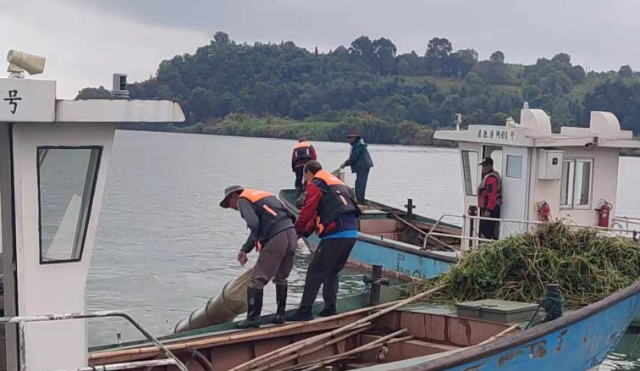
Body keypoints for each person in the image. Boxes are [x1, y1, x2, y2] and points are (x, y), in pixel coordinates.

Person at [288, 161, 360, 321]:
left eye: (305, 178)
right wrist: (302, 234)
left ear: (308, 173)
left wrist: (296, 231)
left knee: (315, 271)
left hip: (336, 233)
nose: (305, 182)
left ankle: (305, 311)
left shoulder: (316, 184)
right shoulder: (337, 184)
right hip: (352, 232)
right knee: (332, 271)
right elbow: (315, 219)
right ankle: (330, 308)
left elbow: (307, 212)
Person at [220, 185, 298, 328]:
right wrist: (245, 249)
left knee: (257, 279)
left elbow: (254, 224)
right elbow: (292, 216)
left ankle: (253, 318)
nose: (231, 207)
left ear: (234, 196)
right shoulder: (267, 196)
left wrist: (261, 242)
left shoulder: (243, 200)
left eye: (228, 203)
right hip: (291, 234)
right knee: (281, 277)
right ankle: (280, 316)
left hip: (276, 237)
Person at [341, 129, 373, 204]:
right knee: (359, 183)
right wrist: (346, 163)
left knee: (360, 184)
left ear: (355, 138)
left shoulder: (358, 145)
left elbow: (354, 158)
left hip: (363, 167)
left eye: (350, 138)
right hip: (361, 167)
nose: (349, 139)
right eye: (348, 138)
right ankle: (360, 201)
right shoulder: (356, 145)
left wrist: (345, 163)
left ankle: (360, 202)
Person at [477, 157, 502, 240]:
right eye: (483, 166)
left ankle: (493, 242)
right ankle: (492, 241)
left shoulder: (491, 179)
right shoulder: (489, 176)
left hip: (492, 209)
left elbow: (492, 196)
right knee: (487, 229)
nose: (484, 168)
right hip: (491, 208)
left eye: (486, 166)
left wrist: (488, 211)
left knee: (483, 228)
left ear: (491, 166)